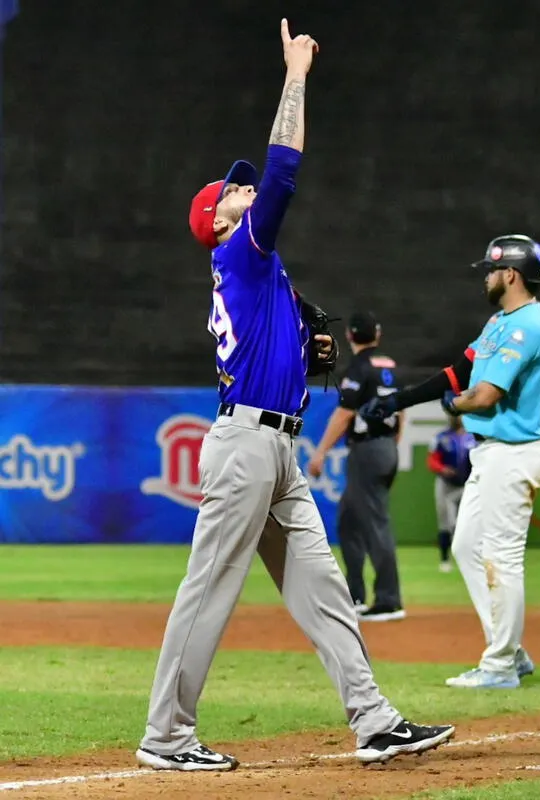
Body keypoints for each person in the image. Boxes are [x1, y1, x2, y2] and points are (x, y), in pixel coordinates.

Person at [135, 19, 454, 772]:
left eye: (240, 184)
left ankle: (373, 719)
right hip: (245, 446)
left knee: (325, 588)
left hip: (276, 448)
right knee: (208, 590)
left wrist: (301, 339)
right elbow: (282, 172)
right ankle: (166, 736)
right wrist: (297, 73)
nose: (244, 190)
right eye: (230, 189)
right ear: (215, 221)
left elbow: (286, 327)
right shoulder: (238, 250)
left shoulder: (262, 271)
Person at [360, 234, 540, 689]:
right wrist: (398, 401)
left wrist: (454, 406)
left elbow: (482, 396)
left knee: (502, 558)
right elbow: (459, 373)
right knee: (467, 547)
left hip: (515, 452)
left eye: (490, 268)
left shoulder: (526, 326)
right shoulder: (499, 322)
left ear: (511, 274)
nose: (485, 275)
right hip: (492, 451)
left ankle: (500, 664)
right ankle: (510, 650)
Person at [309, 311, 405, 621]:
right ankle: (354, 597)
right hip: (386, 446)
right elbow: (401, 410)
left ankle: (389, 600)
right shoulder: (390, 367)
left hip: (367, 449)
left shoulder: (360, 368)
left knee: (375, 523)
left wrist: (320, 452)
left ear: (350, 336)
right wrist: (392, 444)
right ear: (377, 334)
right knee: (350, 520)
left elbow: (344, 414)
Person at [427, 413, 475, 573]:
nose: (458, 418)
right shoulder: (441, 437)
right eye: (455, 415)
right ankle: (445, 559)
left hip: (468, 484)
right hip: (446, 485)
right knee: (446, 523)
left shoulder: (473, 437)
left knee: (471, 523)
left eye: (460, 415)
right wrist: (442, 469)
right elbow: (432, 460)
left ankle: (471, 559)